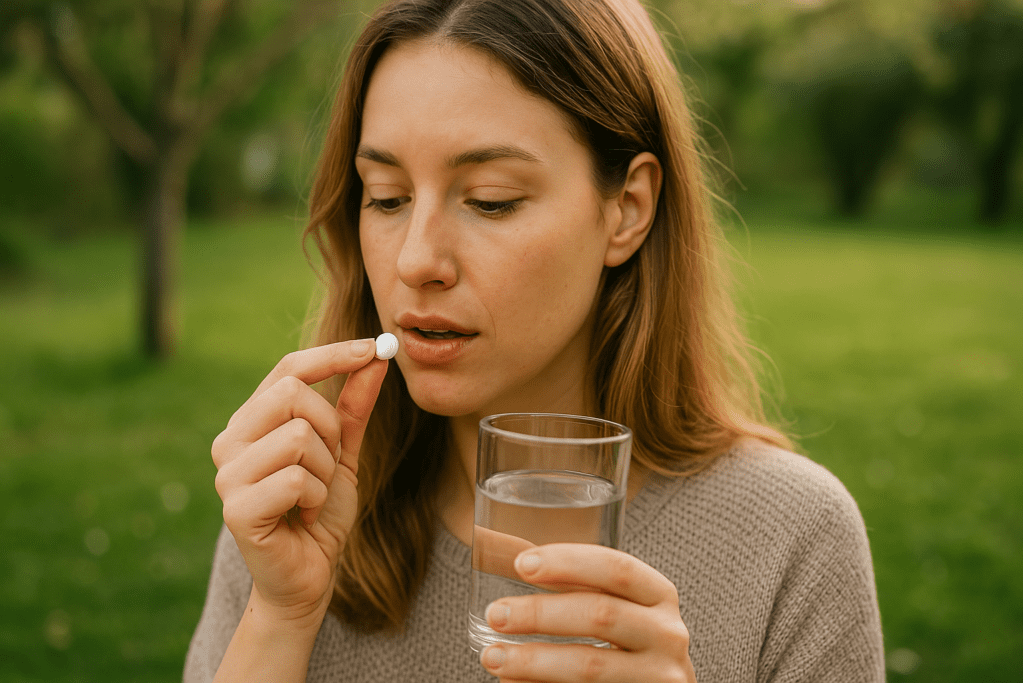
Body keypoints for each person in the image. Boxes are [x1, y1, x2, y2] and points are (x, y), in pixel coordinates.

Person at [184, 0, 885, 681]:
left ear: (627, 210)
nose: (415, 261)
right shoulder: (292, 505)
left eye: (490, 198)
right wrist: (279, 618)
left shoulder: (792, 537)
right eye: (387, 197)